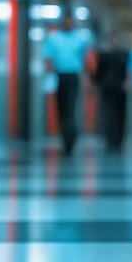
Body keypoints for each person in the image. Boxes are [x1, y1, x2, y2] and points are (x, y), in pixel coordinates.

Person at [43, 13, 93, 156]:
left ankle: (71, 138)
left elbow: (84, 61)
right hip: (59, 76)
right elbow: (48, 60)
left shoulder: (80, 39)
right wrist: (50, 77)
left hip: (73, 76)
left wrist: (87, 79)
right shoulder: (53, 38)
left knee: (70, 108)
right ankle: (66, 138)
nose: (68, 24)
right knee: (61, 109)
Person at [93, 31, 129, 152]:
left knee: (121, 115)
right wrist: (96, 85)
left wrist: (127, 81)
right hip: (107, 88)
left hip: (121, 89)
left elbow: (129, 71)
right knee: (109, 115)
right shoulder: (104, 56)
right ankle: (110, 140)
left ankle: (120, 140)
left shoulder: (124, 55)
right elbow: (98, 73)